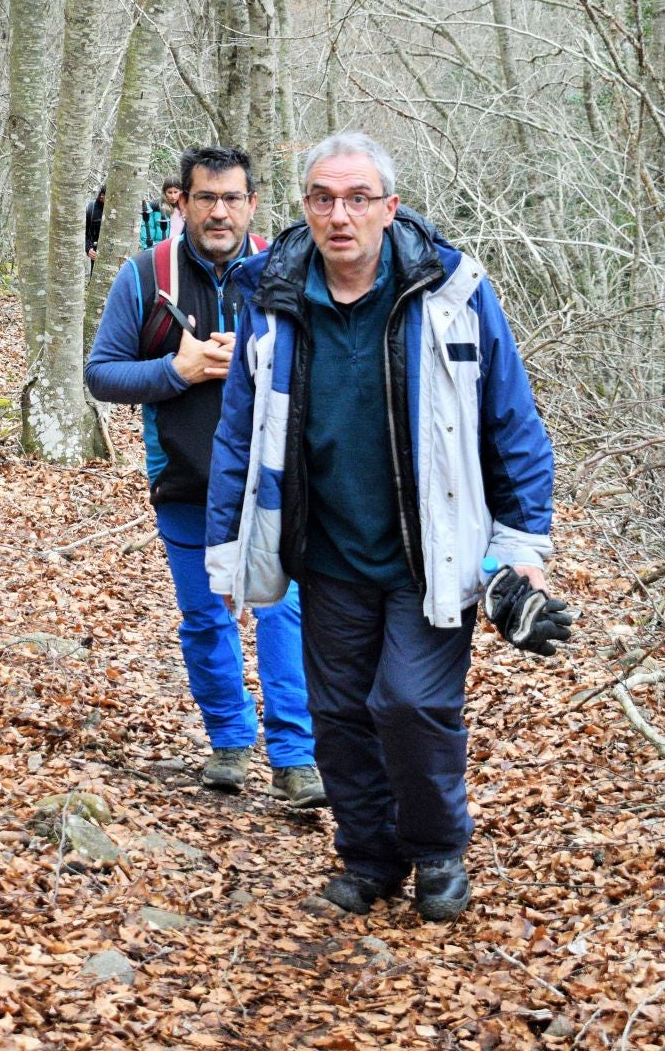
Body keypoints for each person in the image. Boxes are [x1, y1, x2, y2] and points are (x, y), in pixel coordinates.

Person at [204, 130, 568, 921]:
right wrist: (228, 553)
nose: (341, 215)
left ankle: (437, 851)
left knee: (409, 705)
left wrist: (521, 547)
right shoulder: (273, 293)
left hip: (429, 552)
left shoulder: (451, 290)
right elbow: (240, 429)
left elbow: (512, 422)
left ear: (390, 208)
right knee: (338, 717)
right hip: (325, 553)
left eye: (358, 198)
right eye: (324, 198)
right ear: (304, 208)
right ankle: (369, 858)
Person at [85, 145, 323, 808]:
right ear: (181, 202)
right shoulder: (146, 276)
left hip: (276, 482)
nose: (220, 212)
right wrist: (176, 371)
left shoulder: (290, 270)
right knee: (204, 616)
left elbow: (332, 368)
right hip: (186, 481)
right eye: (206, 198)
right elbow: (100, 373)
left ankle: (296, 758)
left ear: (252, 203)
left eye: (233, 199)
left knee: (283, 613)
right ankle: (227, 741)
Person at [85, 185, 106, 264]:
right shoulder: (92, 208)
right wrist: (88, 249)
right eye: (102, 194)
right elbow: (84, 233)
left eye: (104, 194)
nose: (102, 196)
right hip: (96, 256)